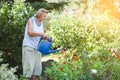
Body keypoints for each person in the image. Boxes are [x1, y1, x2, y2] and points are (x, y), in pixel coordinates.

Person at [22, 8, 50, 80]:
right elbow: (30, 32)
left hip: (37, 48)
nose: (45, 18)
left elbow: (40, 36)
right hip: (29, 47)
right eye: (44, 16)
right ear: (40, 15)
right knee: (28, 70)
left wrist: (46, 38)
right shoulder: (31, 20)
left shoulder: (41, 24)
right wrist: (41, 34)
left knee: (36, 71)